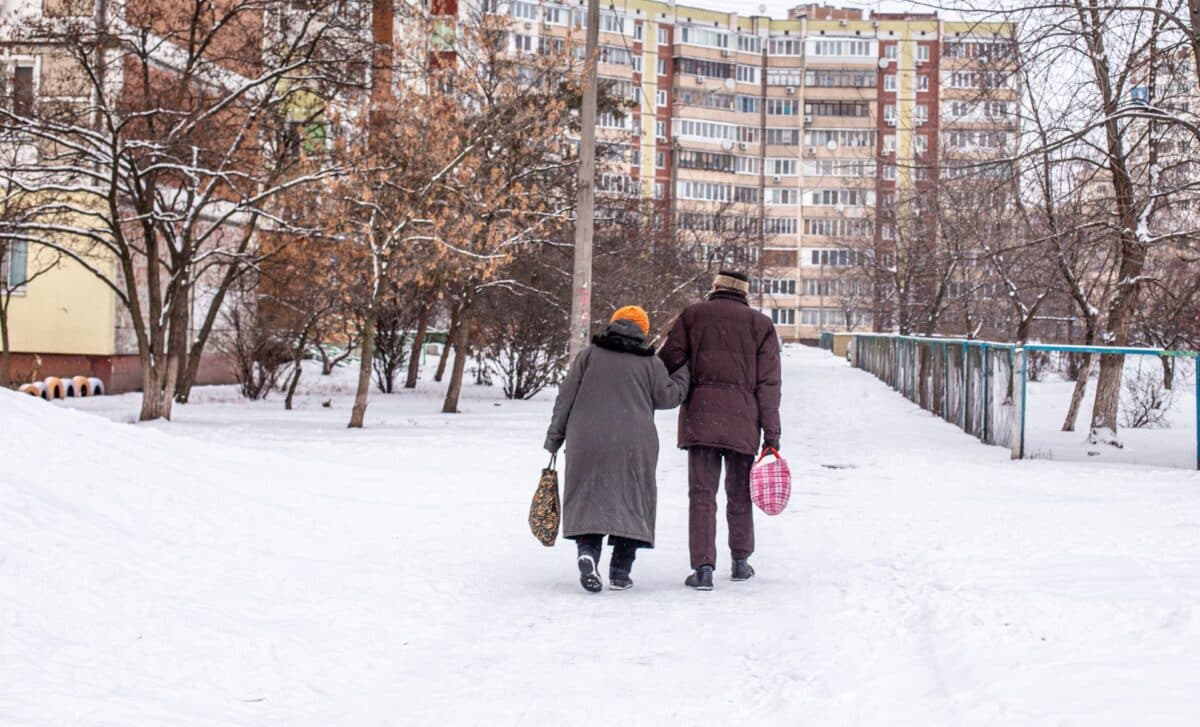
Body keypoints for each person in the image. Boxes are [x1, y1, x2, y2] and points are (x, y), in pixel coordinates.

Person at [545, 306, 690, 593]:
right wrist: (685, 371)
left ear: (613, 324)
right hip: (633, 444)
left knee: (590, 497)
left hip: (586, 438)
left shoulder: (589, 356)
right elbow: (668, 396)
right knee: (632, 501)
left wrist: (554, 438)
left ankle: (588, 552)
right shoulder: (650, 364)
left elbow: (566, 398)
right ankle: (620, 571)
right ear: (643, 331)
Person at [659, 270, 782, 590]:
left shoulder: (693, 316)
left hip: (701, 419)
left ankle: (702, 569)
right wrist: (772, 433)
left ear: (715, 288)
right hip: (743, 422)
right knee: (739, 493)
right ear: (744, 293)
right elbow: (769, 384)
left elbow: (668, 360)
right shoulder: (761, 326)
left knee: (701, 495)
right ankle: (740, 563)